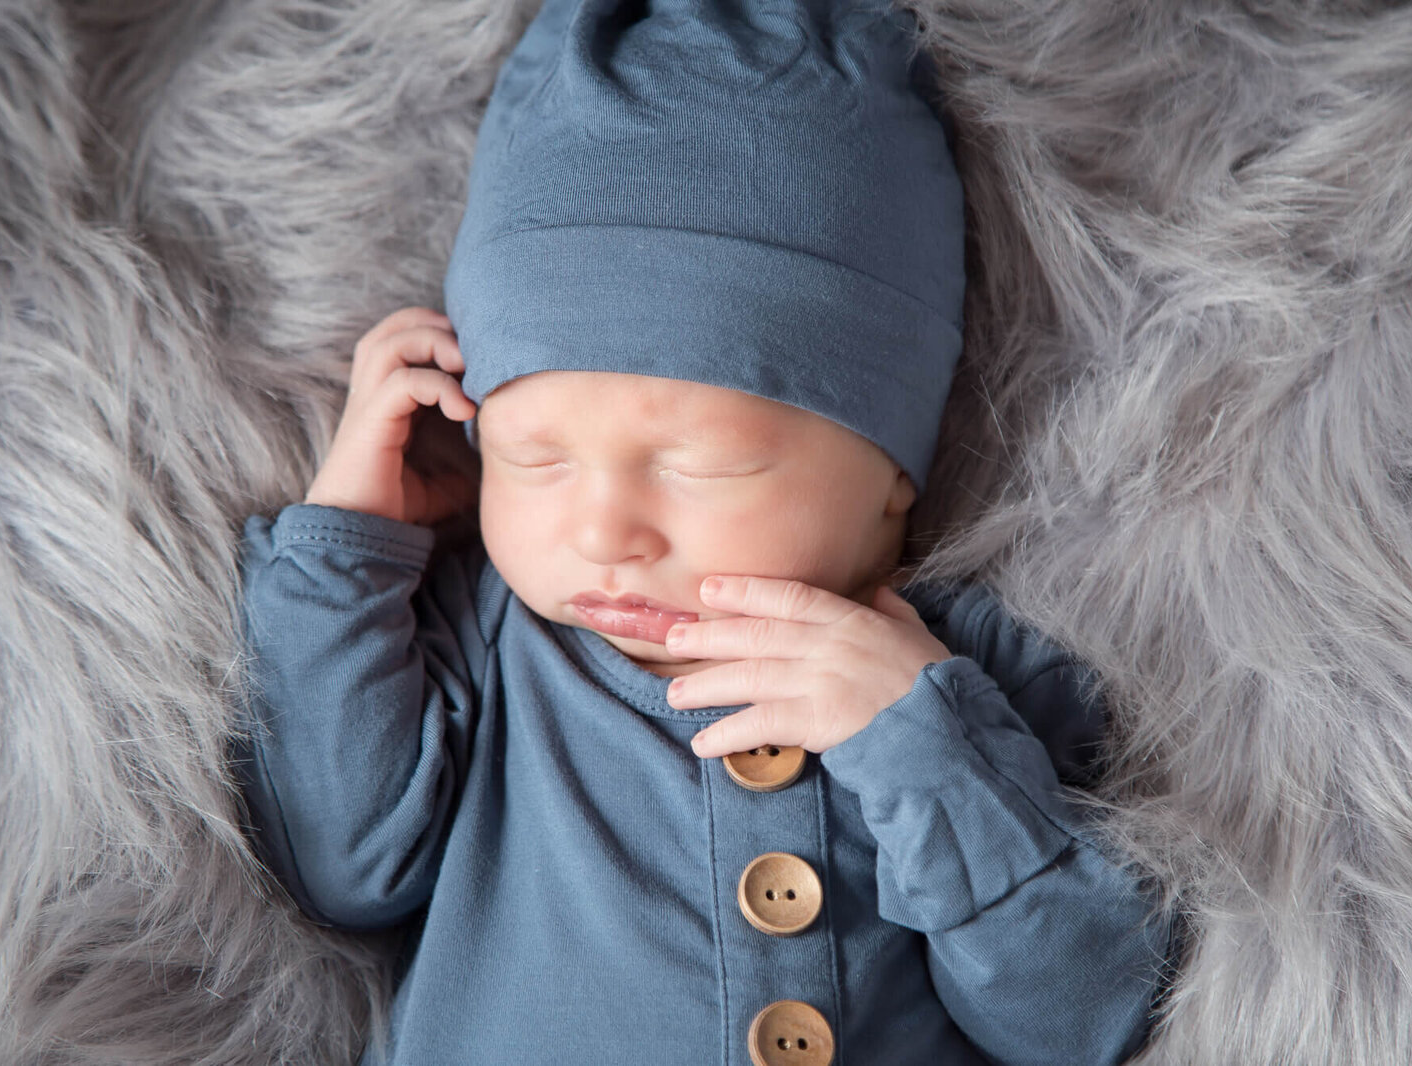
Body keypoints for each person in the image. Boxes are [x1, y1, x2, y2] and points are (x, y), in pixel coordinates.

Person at [229, 0, 1178, 1063]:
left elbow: (1080, 1021)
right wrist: (346, 542)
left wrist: (916, 741)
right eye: (531, 457)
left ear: (891, 472)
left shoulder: (959, 682)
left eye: (701, 465)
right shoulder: (492, 646)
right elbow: (337, 867)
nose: (602, 530)